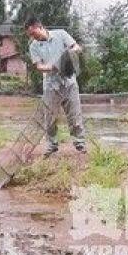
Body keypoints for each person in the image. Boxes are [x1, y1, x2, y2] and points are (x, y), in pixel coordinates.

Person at [25, 16, 86, 156]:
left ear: (40, 27)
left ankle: (80, 143)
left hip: (69, 81)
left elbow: (76, 47)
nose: (33, 37)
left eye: (33, 33)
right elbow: (39, 66)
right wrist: (52, 67)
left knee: (74, 114)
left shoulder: (61, 34)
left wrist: (73, 52)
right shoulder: (33, 46)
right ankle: (52, 144)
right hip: (51, 85)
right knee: (50, 117)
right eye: (30, 35)